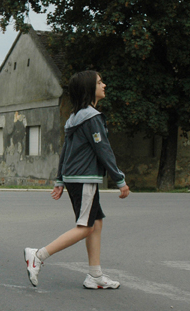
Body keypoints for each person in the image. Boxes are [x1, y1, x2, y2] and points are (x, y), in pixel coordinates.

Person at [24, 70, 130, 289]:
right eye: (100, 82)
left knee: (95, 223)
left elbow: (66, 151)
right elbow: (104, 150)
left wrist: (60, 179)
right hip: (84, 178)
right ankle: (38, 255)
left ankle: (95, 275)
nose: (105, 85)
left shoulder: (74, 118)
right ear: (89, 88)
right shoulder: (92, 117)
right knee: (85, 227)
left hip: (75, 177)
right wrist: (119, 179)